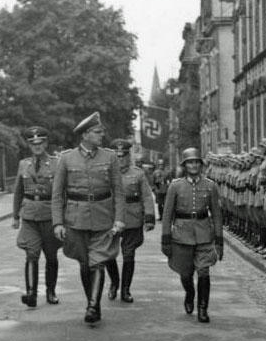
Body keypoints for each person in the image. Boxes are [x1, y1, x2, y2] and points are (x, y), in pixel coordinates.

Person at [51, 112, 126, 324]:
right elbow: (57, 194)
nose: (102, 135)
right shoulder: (66, 158)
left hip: (103, 217)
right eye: (97, 132)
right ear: (85, 135)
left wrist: (119, 219)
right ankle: (92, 302)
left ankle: (93, 306)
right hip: (75, 219)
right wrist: (57, 222)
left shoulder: (109, 157)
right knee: (85, 264)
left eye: (101, 131)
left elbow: (118, 191)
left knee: (98, 262)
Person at [161, 148, 223, 323]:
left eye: (196, 162)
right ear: (185, 165)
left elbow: (217, 215)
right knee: (185, 273)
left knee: (204, 271)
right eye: (190, 162)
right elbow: (167, 214)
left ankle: (202, 308)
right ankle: (190, 293)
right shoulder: (175, 186)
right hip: (181, 235)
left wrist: (219, 241)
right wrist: (165, 239)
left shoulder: (210, 186)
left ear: (201, 165)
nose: (193, 165)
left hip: (204, 234)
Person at [12, 126, 62, 307]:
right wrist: (15, 215)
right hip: (30, 215)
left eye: (40, 143)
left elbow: (61, 192)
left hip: (50, 214)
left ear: (46, 143)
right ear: (29, 145)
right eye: (33, 144)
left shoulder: (57, 163)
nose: (37, 147)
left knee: (51, 255)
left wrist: (61, 219)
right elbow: (18, 191)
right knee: (31, 253)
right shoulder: (23, 164)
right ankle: (31, 293)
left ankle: (50, 291)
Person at [108, 139, 156, 302]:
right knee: (108, 254)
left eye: (123, 156)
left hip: (132, 217)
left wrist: (149, 217)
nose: (120, 159)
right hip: (111, 218)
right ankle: (114, 283)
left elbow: (147, 196)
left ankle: (126, 289)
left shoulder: (138, 173)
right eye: (117, 156)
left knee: (128, 254)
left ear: (129, 156)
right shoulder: (105, 173)